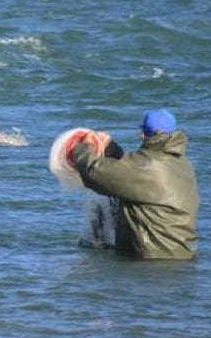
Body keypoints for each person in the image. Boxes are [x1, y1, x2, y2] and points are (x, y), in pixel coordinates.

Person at [70, 109, 200, 260]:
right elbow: (131, 173)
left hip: (151, 262)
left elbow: (93, 172)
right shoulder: (182, 165)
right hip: (182, 257)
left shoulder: (148, 168)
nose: (141, 136)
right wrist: (110, 147)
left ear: (151, 135)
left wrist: (83, 147)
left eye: (144, 132)